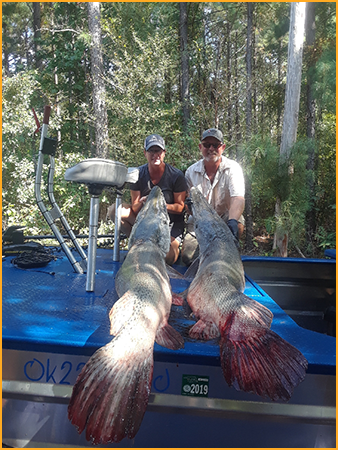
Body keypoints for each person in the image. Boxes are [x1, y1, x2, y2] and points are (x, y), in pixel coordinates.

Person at [107, 134, 187, 265]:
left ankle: (151, 250)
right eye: (151, 150)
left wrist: (159, 204)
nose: (155, 154)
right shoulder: (137, 174)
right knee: (114, 211)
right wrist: (144, 203)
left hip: (169, 224)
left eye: (158, 151)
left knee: (167, 258)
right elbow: (134, 207)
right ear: (145, 153)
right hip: (144, 221)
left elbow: (180, 207)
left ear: (164, 153)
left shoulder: (176, 175)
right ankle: (137, 244)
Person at [181, 128, 245, 265]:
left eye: (215, 145)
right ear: (200, 147)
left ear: (222, 147)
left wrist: (232, 221)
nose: (211, 148)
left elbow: (238, 198)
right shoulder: (190, 172)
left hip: (224, 217)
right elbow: (187, 206)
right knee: (188, 258)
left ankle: (228, 257)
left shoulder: (233, 168)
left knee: (238, 223)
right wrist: (190, 208)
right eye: (206, 145)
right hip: (200, 221)